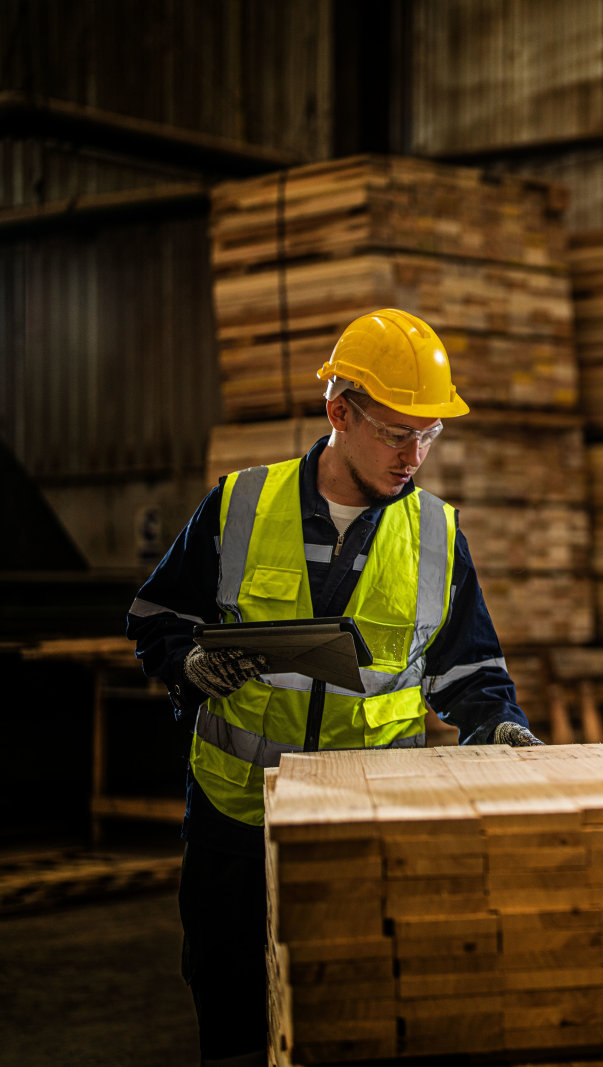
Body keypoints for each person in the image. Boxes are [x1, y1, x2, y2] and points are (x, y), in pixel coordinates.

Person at [127, 308, 541, 1067]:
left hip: (369, 831)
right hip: (234, 829)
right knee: (236, 1032)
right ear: (338, 412)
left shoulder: (439, 537)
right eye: (394, 432)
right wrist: (187, 663)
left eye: (430, 433)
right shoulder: (239, 505)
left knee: (357, 1030)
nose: (414, 454)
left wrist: (500, 727)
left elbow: (470, 672)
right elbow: (156, 616)